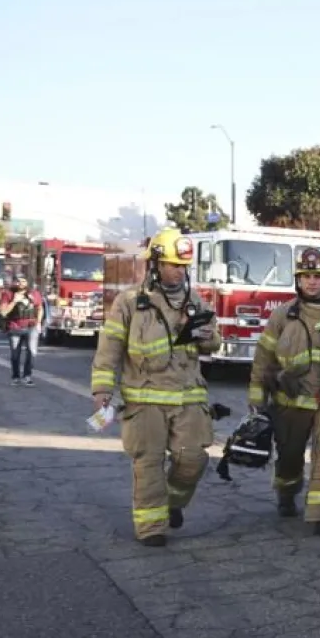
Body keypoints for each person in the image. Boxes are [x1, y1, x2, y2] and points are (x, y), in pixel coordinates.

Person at [90, 228, 222, 546]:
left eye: (183, 266)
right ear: (156, 265)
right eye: (174, 265)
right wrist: (102, 390)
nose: (179, 271)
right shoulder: (130, 303)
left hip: (189, 398)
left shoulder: (196, 302)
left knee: (193, 460)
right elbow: (109, 348)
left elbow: (214, 341)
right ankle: (151, 528)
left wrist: (208, 337)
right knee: (148, 463)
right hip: (144, 399)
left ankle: (173, 503)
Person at [249, 247, 320, 539]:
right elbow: (263, 358)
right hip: (290, 401)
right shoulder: (282, 315)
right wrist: (256, 398)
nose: (312, 282)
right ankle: (286, 493)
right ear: (298, 281)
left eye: (318, 276)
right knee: (289, 457)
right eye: (306, 276)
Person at [0, 275, 43, 386]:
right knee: (15, 354)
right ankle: (16, 377)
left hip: (31, 326)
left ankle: (27, 376)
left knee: (32, 352)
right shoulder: (8, 294)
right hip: (15, 327)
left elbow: (40, 308)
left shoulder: (34, 293)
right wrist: (14, 301)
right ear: (14, 282)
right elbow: (3, 312)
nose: (20, 283)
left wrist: (38, 323)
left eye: (23, 281)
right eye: (18, 281)